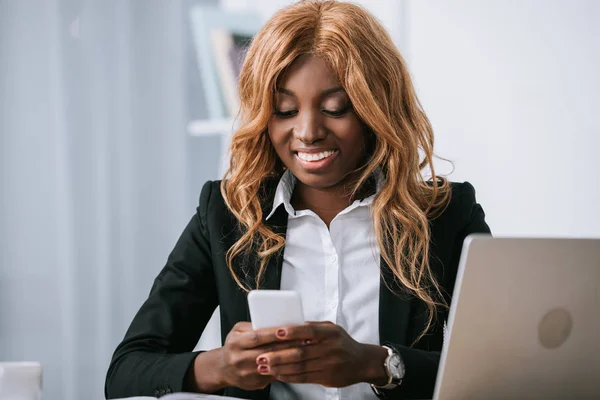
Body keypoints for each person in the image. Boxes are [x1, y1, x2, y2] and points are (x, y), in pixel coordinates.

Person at [105, 1, 490, 399]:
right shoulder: (227, 214)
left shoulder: (445, 216)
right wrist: (221, 366)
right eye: (285, 109)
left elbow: (500, 368)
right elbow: (126, 372)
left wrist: (377, 363)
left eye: (334, 108)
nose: (307, 132)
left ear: (378, 108)